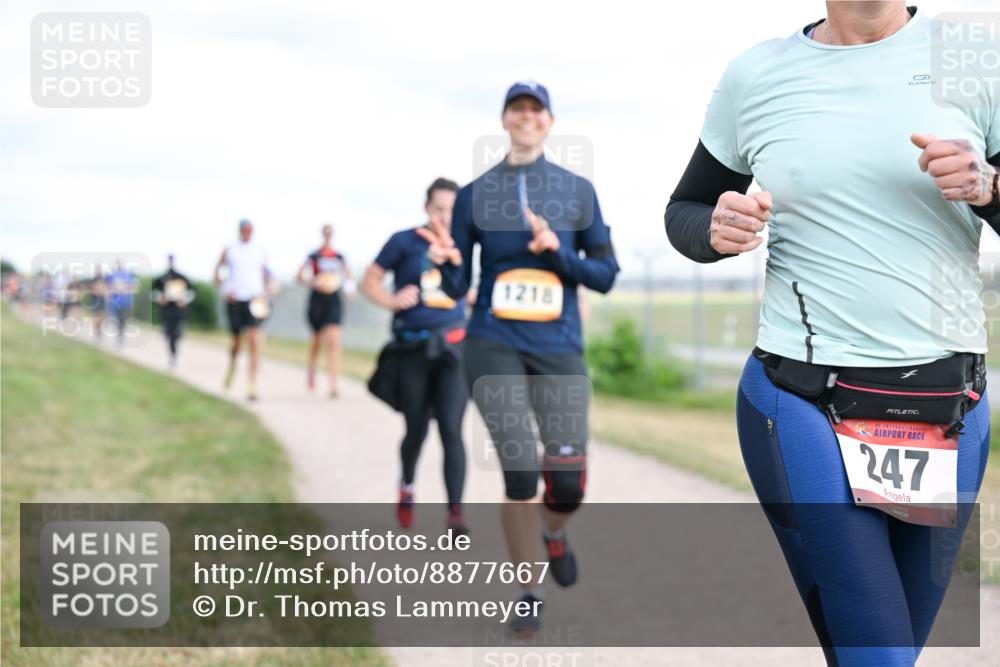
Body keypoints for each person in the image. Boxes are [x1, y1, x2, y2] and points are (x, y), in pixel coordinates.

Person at [665, 3, 998, 665]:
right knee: (879, 657)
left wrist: (989, 187)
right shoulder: (759, 74)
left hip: (948, 410)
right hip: (802, 399)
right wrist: (715, 229)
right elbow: (687, 209)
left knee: (884, 651)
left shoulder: (975, 57)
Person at [419, 82, 620, 636]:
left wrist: (560, 252)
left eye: (536, 110)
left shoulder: (578, 191)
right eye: (517, 109)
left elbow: (605, 275)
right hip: (493, 343)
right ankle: (529, 590)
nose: (526, 118)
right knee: (520, 468)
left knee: (569, 482)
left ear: (549, 123)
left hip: (559, 348)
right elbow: (461, 280)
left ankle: (553, 532)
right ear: (505, 120)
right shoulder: (474, 195)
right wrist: (446, 262)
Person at [361, 178, 470, 535]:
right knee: (417, 428)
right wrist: (390, 300)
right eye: (439, 209)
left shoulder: (464, 245)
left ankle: (456, 515)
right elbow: (369, 280)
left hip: (453, 349)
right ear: (426, 208)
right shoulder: (403, 241)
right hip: (412, 348)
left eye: (452, 211)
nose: (445, 217)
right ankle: (407, 486)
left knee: (452, 430)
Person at [214, 219, 273, 401]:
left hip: (255, 299)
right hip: (235, 299)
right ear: (240, 231)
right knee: (237, 341)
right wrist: (225, 290)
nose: (247, 233)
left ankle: (252, 384)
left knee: (255, 338)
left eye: (250, 230)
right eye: (244, 230)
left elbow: (268, 275)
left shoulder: (260, 251)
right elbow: (216, 274)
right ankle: (232, 366)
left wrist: (268, 291)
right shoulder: (230, 249)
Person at [296, 224, 354, 397]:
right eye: (326, 233)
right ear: (323, 234)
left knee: (334, 340)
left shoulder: (339, 256)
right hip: (317, 299)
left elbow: (348, 275)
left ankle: (333, 383)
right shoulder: (313, 255)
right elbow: (299, 276)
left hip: (333, 298)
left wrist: (350, 290)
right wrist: (314, 282)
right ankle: (312, 370)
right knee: (317, 341)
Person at [152, 254, 195, 369]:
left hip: (178, 309)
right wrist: (159, 298)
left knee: (176, 332)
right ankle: (172, 353)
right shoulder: (162, 278)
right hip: (167, 309)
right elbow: (153, 291)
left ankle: (176, 344)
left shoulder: (182, 277)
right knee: (169, 333)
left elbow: (191, 292)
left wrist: (185, 300)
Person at [106, 260, 137, 347]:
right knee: (117, 319)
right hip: (115, 302)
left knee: (123, 319)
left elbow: (133, 286)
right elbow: (108, 287)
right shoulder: (112, 275)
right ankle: (119, 334)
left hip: (126, 302)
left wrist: (126, 288)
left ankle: (121, 336)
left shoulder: (127, 275)